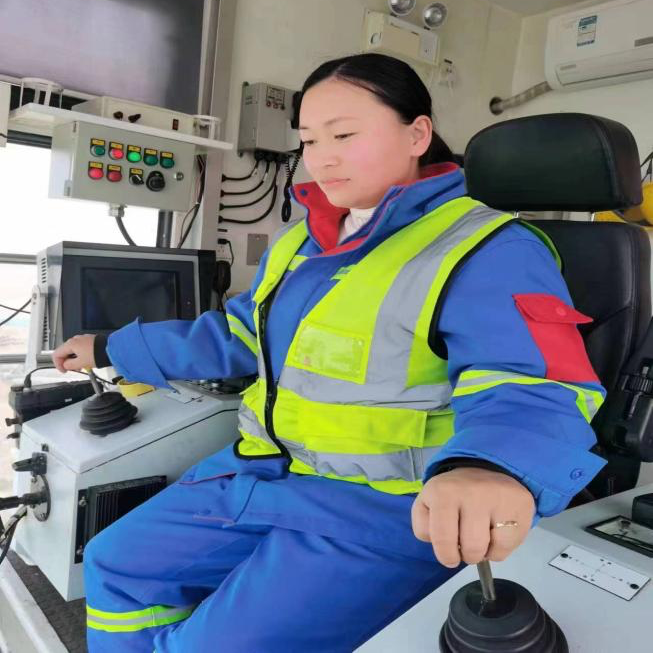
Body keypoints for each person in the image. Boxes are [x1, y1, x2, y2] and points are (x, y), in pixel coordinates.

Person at [53, 53, 606, 652]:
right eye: (309, 140)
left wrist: (488, 467)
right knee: (114, 564)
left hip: (379, 507)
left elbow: (531, 382)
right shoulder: (302, 241)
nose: (322, 158)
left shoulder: (488, 247)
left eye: (344, 135)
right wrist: (112, 348)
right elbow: (241, 333)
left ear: (417, 134)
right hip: (261, 473)